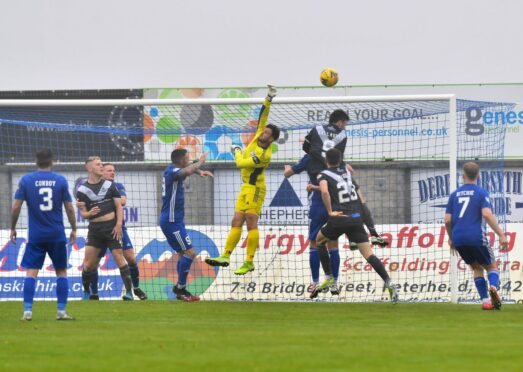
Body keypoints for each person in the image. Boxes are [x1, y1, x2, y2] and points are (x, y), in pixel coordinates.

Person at [205, 85, 280, 275]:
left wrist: (237, 151)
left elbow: (241, 164)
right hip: (246, 187)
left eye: (267, 133)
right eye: (264, 131)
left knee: (250, 223)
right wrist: (268, 98)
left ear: (271, 140)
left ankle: (249, 261)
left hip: (255, 189)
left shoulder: (264, 154)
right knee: (236, 220)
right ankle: (225, 255)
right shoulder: (257, 137)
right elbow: (263, 115)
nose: (263, 132)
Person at [313, 149, 398, 303]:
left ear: (326, 160)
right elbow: (360, 198)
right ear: (340, 160)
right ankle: (388, 281)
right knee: (369, 254)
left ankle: (329, 278)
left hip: (339, 219)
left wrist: (330, 212)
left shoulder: (323, 175)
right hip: (356, 218)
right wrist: (370, 227)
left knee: (319, 241)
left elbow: (326, 192)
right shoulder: (347, 173)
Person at [11, 149, 77, 321]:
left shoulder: (26, 180)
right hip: (56, 234)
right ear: (52, 161)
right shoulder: (60, 180)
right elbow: (70, 208)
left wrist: (12, 227)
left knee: (31, 272)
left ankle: (27, 311)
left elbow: (16, 207)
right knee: (61, 271)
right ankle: (61, 311)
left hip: (36, 235)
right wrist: (74, 228)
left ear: (36, 161)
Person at [444, 162, 508, 310]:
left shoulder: (454, 195)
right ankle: (493, 287)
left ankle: (486, 301)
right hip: (476, 236)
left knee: (476, 267)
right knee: (492, 267)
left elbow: (447, 220)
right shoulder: (481, 192)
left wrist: (451, 238)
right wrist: (501, 234)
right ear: (478, 175)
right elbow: (486, 214)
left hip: (459, 238)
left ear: (463, 176)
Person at [86, 163, 147, 300]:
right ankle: (94, 293)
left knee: (130, 258)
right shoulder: (94, 188)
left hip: (118, 228)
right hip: (99, 230)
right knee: (92, 263)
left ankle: (135, 289)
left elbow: (123, 201)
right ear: (102, 173)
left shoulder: (118, 186)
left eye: (113, 171)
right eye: (109, 171)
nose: (112, 173)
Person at [77, 156, 133, 301]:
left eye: (102, 164)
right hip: (95, 230)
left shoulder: (110, 186)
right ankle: (87, 292)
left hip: (111, 228)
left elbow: (118, 207)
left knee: (120, 258)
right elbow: (83, 213)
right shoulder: (82, 190)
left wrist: (118, 224)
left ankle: (129, 293)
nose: (101, 166)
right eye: (98, 164)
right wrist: (88, 213)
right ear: (89, 168)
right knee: (88, 265)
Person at [160, 149, 213, 301]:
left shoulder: (171, 169)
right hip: (172, 222)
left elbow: (187, 169)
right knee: (191, 253)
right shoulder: (173, 173)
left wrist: (199, 171)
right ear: (181, 160)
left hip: (174, 220)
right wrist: (201, 162)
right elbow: (185, 171)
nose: (189, 160)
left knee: (182, 254)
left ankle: (181, 291)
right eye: (187, 158)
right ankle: (180, 288)